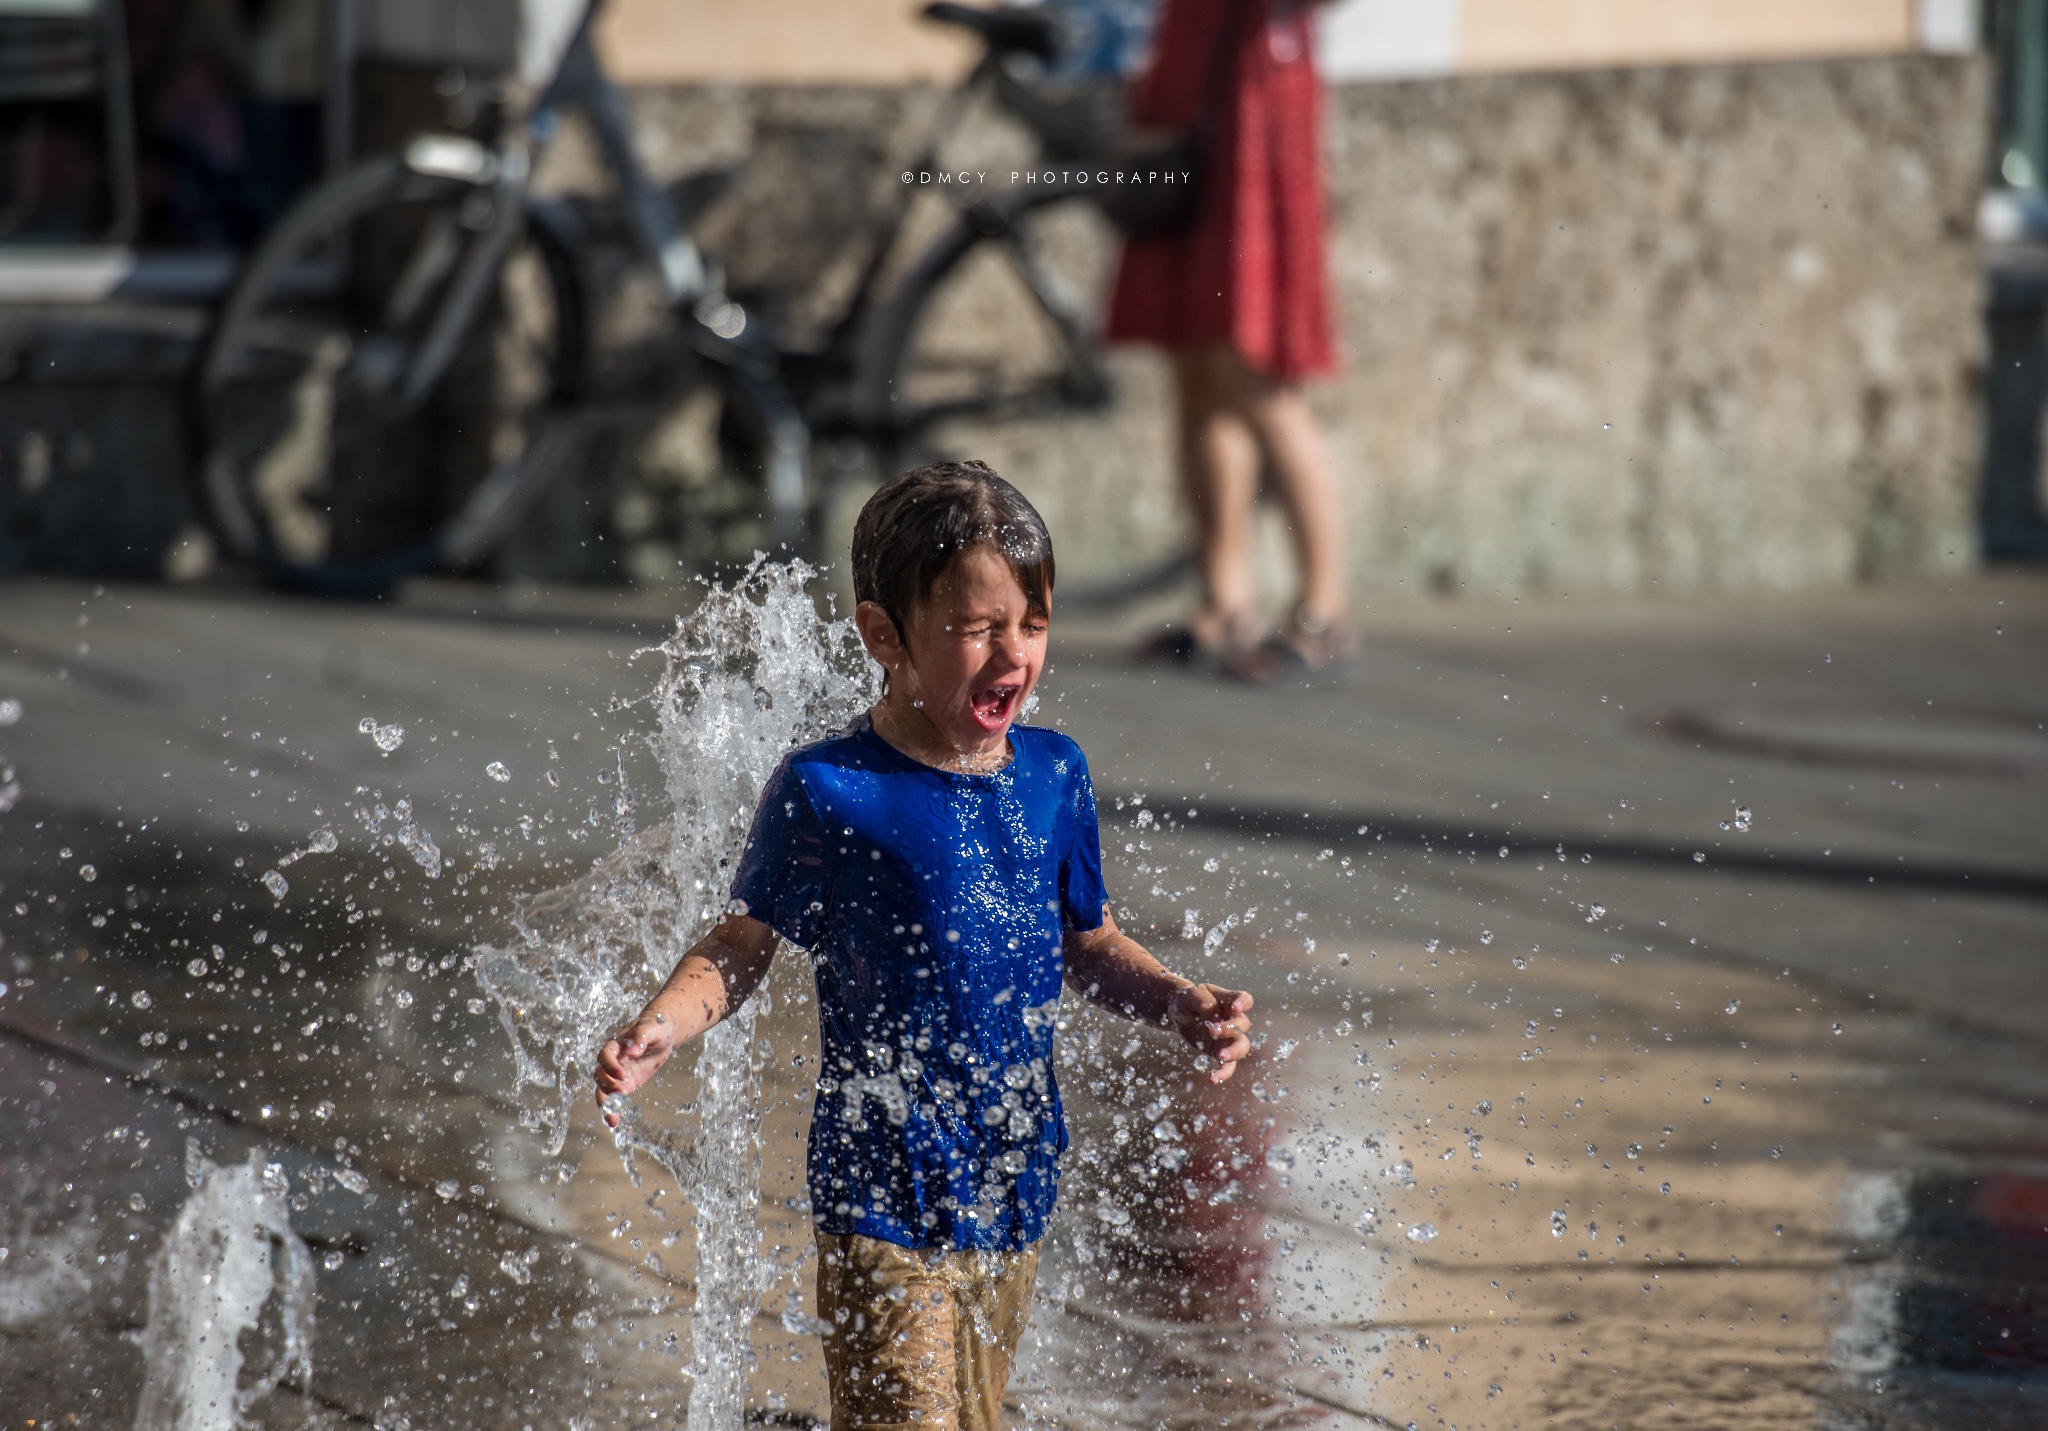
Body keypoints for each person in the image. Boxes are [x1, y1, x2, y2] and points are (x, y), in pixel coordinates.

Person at [591, 460, 1256, 1431]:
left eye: (1030, 625)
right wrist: (661, 1026)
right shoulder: (830, 790)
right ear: (882, 636)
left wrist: (1174, 1001)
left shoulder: (1053, 774)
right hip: (878, 1186)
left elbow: (1085, 941)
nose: (1010, 656)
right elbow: (743, 942)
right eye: (975, 629)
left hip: (1014, 1175)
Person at [1108, 0, 1351, 678]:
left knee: (1257, 378)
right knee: (1194, 366)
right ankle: (1225, 600)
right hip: (1189, 87)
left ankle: (1324, 608)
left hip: (1254, 102)